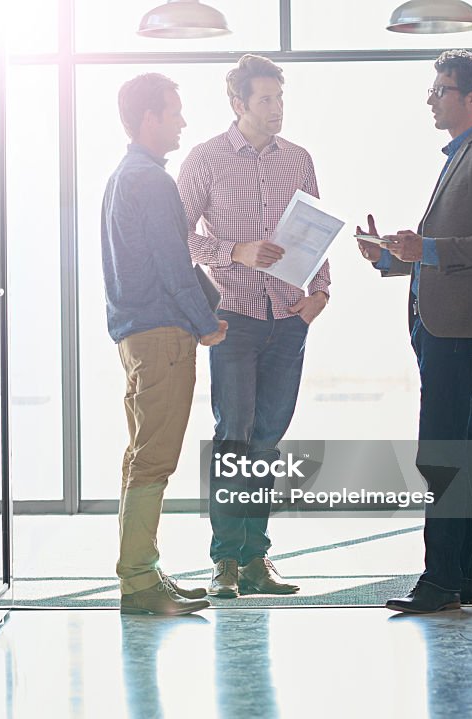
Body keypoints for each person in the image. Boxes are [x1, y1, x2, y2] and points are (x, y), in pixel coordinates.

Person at [356, 49, 472, 613]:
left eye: (441, 89)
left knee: (441, 453)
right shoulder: (461, 156)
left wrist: (425, 248)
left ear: (471, 96)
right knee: (467, 453)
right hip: (441, 326)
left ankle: (441, 581)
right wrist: (391, 257)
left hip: (459, 329)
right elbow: (442, 251)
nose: (431, 98)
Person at [178, 54, 328, 598]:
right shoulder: (206, 159)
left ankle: (256, 561)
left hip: (289, 316)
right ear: (238, 103)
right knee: (234, 437)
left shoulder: (298, 159)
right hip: (233, 317)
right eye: (265, 99)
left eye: (280, 98)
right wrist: (233, 250)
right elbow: (178, 237)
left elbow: (316, 229)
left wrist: (321, 293)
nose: (276, 109)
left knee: (267, 441)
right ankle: (224, 563)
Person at [101, 73, 228, 616]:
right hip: (162, 335)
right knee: (154, 461)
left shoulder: (124, 176)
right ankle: (138, 582)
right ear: (148, 117)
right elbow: (174, 263)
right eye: (174, 112)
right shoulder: (151, 182)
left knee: (141, 457)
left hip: (136, 333)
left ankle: (144, 572)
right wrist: (206, 321)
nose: (182, 121)